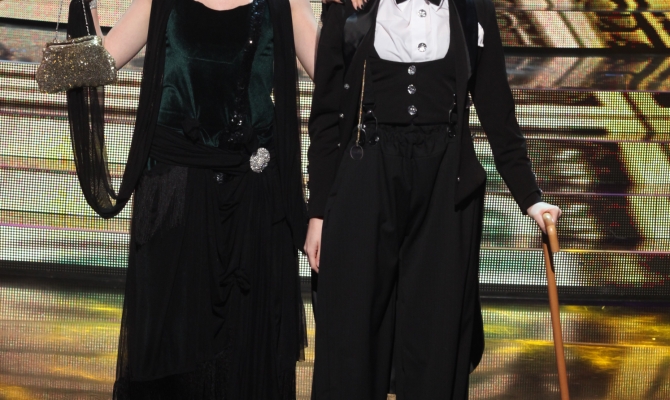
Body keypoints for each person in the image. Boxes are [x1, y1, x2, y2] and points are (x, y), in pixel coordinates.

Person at [304, 0, 561, 397]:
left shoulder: (472, 11)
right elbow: (326, 117)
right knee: (352, 334)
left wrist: (530, 197)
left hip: (445, 186)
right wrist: (318, 213)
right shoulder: (353, 9)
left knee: (436, 335)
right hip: (365, 179)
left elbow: (497, 108)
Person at [64, 0, 317, 398]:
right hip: (174, 198)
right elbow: (97, 65)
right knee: (173, 352)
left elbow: (337, 81)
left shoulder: (284, 4)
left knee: (243, 353)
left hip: (251, 204)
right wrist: (85, 7)